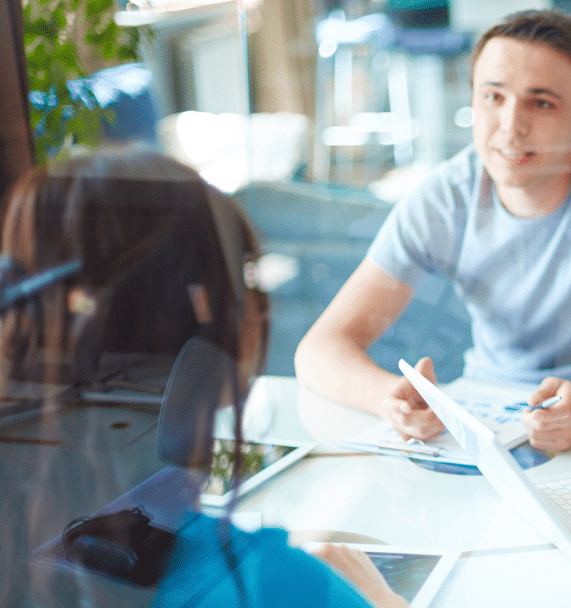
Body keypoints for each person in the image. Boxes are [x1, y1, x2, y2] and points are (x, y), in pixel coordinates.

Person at [295, 9, 571, 452]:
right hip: (484, 417)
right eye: (493, 97)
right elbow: (319, 349)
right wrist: (385, 397)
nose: (511, 127)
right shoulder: (444, 197)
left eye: (542, 102)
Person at [0, 149, 406, 607]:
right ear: (214, 334)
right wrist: (378, 599)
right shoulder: (264, 584)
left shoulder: (30, 542)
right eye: (248, 279)